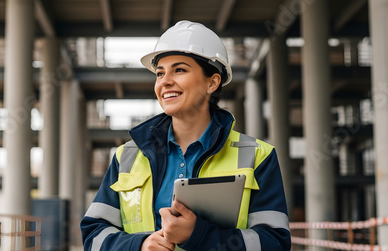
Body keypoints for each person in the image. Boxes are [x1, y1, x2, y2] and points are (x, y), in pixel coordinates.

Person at [81, 20, 291, 251]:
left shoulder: (258, 156)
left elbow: (275, 243)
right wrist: (139, 245)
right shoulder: (127, 157)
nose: (165, 81)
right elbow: (94, 234)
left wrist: (199, 236)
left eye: (179, 70)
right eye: (160, 73)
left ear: (212, 82)